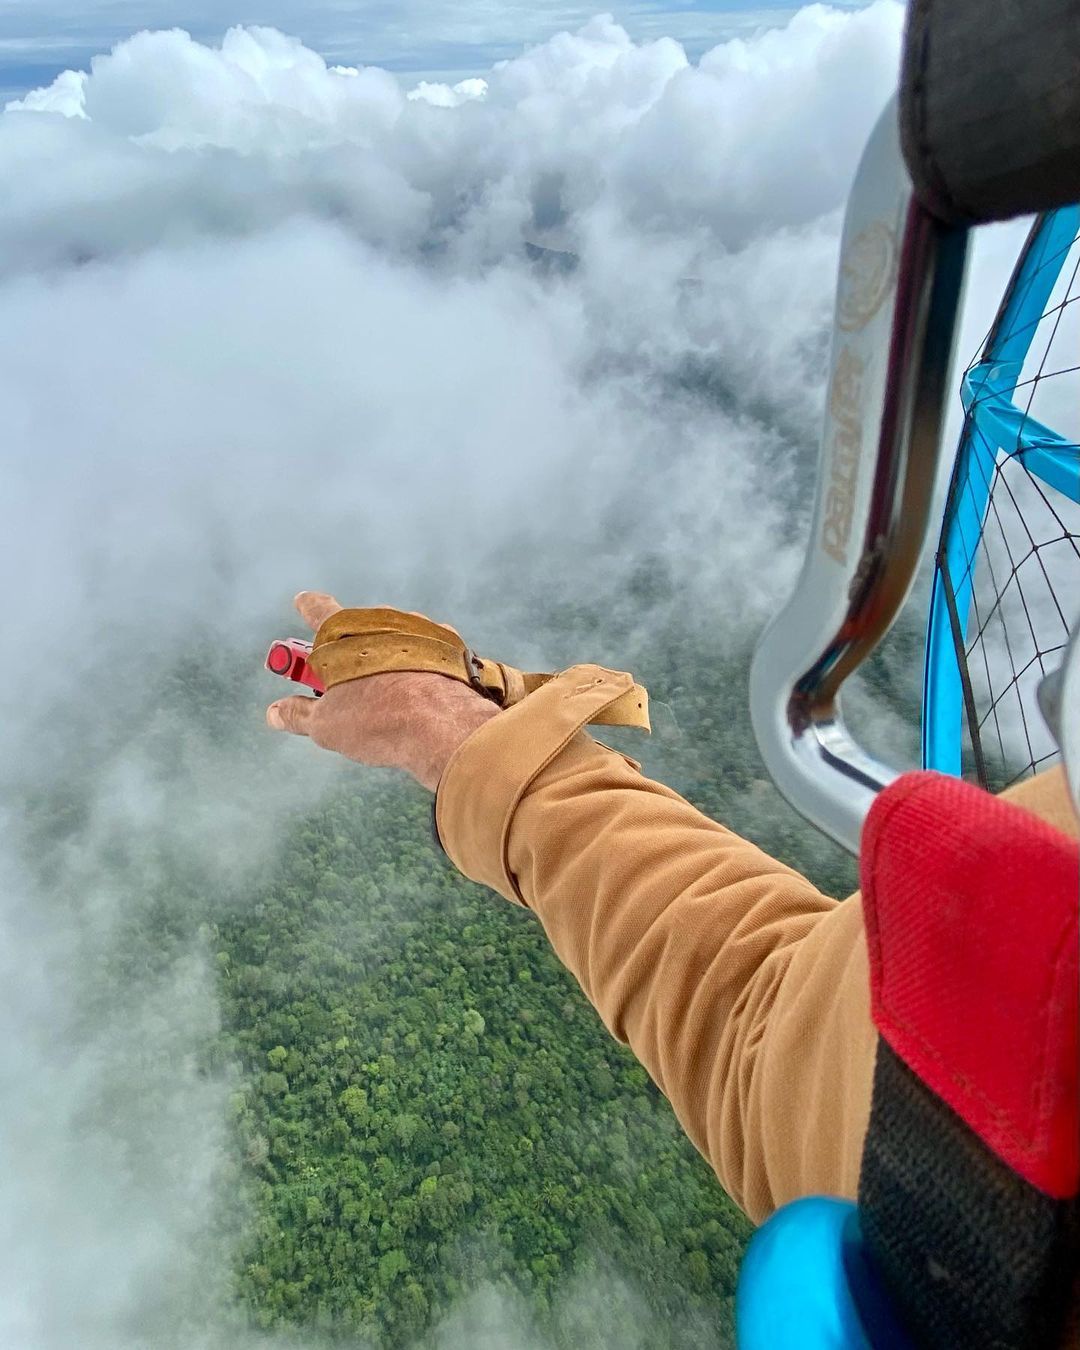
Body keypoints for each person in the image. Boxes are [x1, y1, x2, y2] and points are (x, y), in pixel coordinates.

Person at [266, 590, 1079, 1226]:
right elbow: (769, 1031)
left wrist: (459, 734)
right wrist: (464, 733)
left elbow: (761, 1040)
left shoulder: (986, 1149)